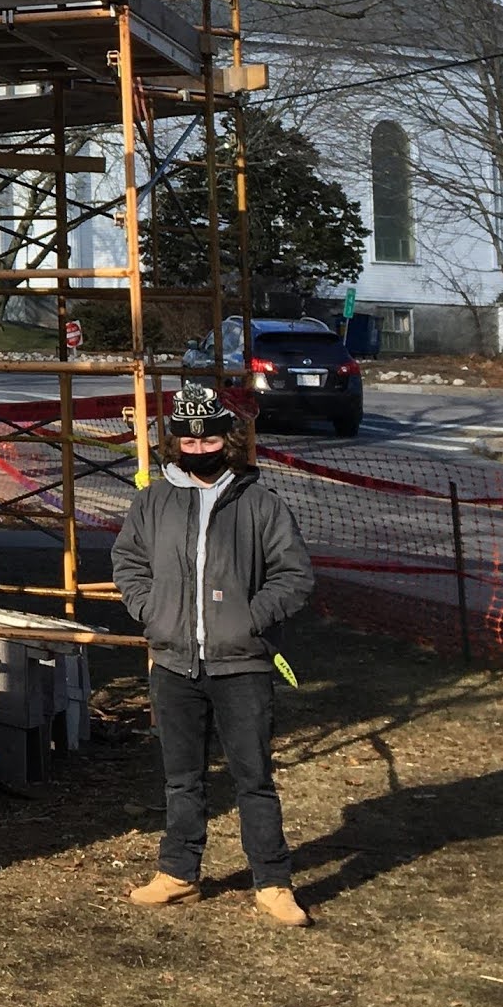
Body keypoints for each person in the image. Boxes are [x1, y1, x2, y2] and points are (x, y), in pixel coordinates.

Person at [113, 380, 316, 926]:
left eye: (209, 441)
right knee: (182, 777)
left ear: (226, 439)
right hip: (174, 662)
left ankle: (272, 882)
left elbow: (294, 575)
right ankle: (179, 874)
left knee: (253, 777)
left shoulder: (260, 503)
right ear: (174, 441)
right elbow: (127, 561)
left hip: (241, 664)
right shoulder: (153, 501)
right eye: (188, 441)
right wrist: (150, 610)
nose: (198, 449)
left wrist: (250, 619)